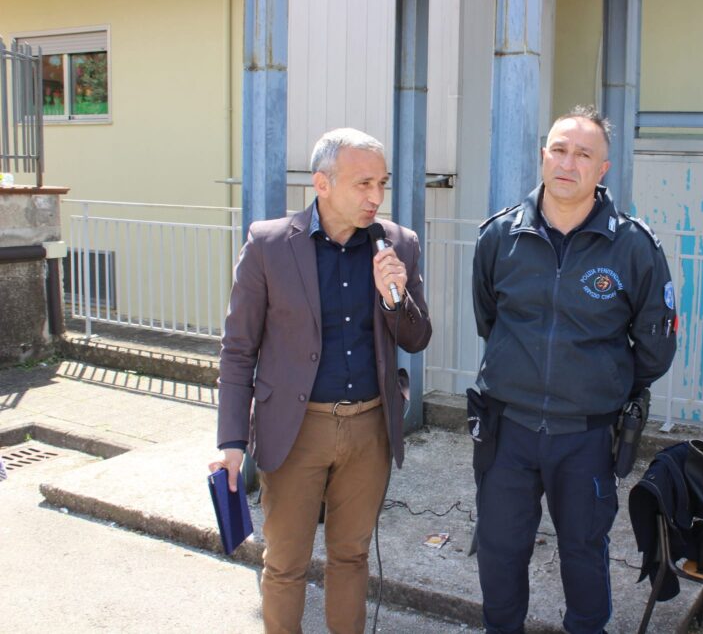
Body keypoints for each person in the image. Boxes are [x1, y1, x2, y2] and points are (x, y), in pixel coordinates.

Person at [209, 128, 431, 634]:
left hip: (369, 428)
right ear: (322, 184)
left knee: (351, 557)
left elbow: (418, 338)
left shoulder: (399, 245)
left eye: (382, 183)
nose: (376, 197)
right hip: (294, 427)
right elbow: (238, 350)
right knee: (285, 562)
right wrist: (231, 443)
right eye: (363, 184)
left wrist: (394, 297)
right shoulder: (268, 245)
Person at [471, 105, 678, 634]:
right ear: (543, 157)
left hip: (585, 439)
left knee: (584, 555)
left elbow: (654, 348)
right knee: (499, 555)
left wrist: (598, 386)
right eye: (559, 150)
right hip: (507, 434)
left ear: (602, 169)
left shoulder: (634, 247)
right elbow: (489, 319)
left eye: (584, 153)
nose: (568, 162)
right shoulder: (499, 238)